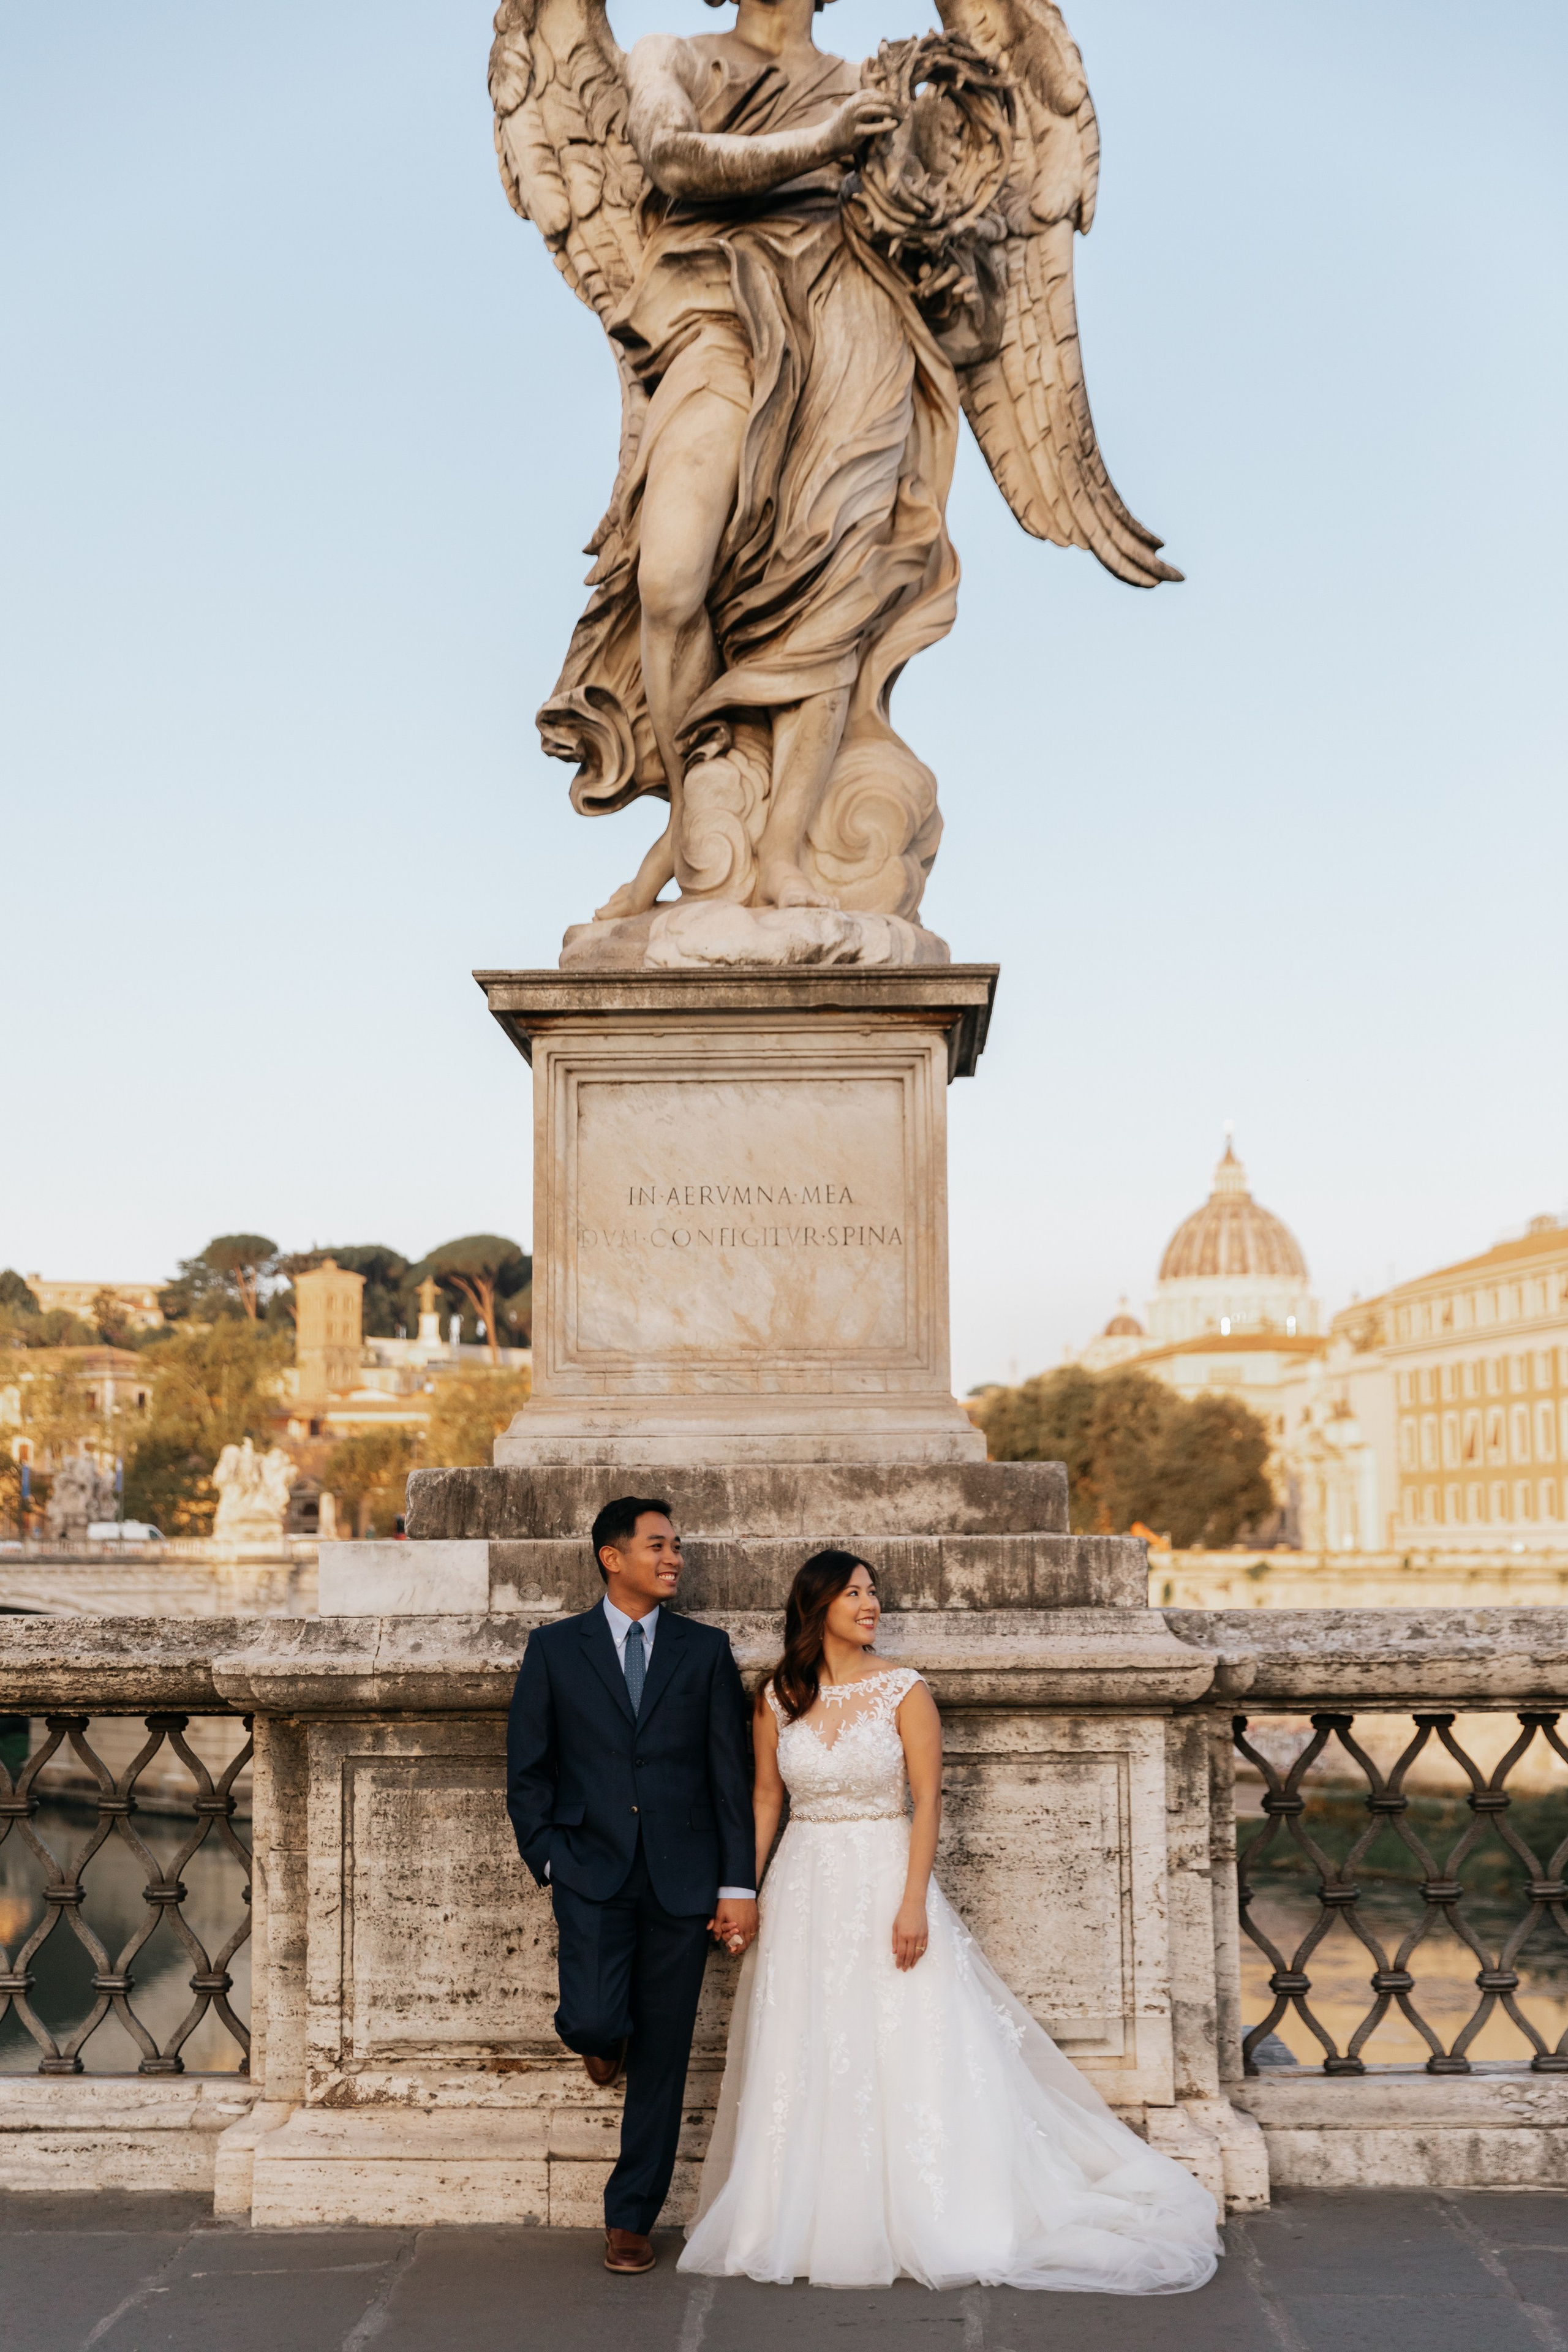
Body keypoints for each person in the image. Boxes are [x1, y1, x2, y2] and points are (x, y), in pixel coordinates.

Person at [679, 1550, 1223, 2291]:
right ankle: (802, 2215)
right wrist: (743, 1888)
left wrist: (911, 1903)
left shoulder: (903, 1690)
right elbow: (767, 1799)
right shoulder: (779, 1697)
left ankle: (933, 2210)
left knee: (907, 2037)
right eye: (853, 1594)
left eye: (873, 1593)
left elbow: (928, 1801)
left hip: (882, 1873)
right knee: (808, 2039)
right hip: (804, 1884)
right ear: (816, 1608)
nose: (870, 1605)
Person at [505, 1496, 756, 2275]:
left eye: (676, 1546)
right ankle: (599, 2039)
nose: (674, 1558)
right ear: (612, 1558)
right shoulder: (554, 1649)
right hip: (589, 1867)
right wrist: (548, 1856)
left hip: (683, 1880)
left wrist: (735, 1885)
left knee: (667, 2052)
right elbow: (528, 1769)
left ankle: (630, 2215)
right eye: (658, 1545)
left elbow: (730, 1777)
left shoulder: (704, 1650)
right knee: (588, 2017)